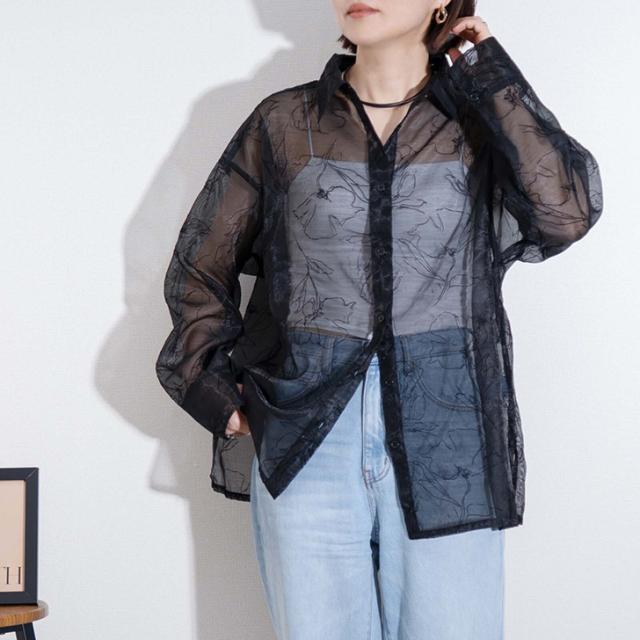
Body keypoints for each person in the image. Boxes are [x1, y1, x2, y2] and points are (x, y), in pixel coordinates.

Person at [155, 0, 603, 637]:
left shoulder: (479, 121)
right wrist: (214, 390)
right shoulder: (285, 124)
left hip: (447, 436)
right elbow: (201, 263)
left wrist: (487, 70)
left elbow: (565, 213)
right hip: (306, 434)